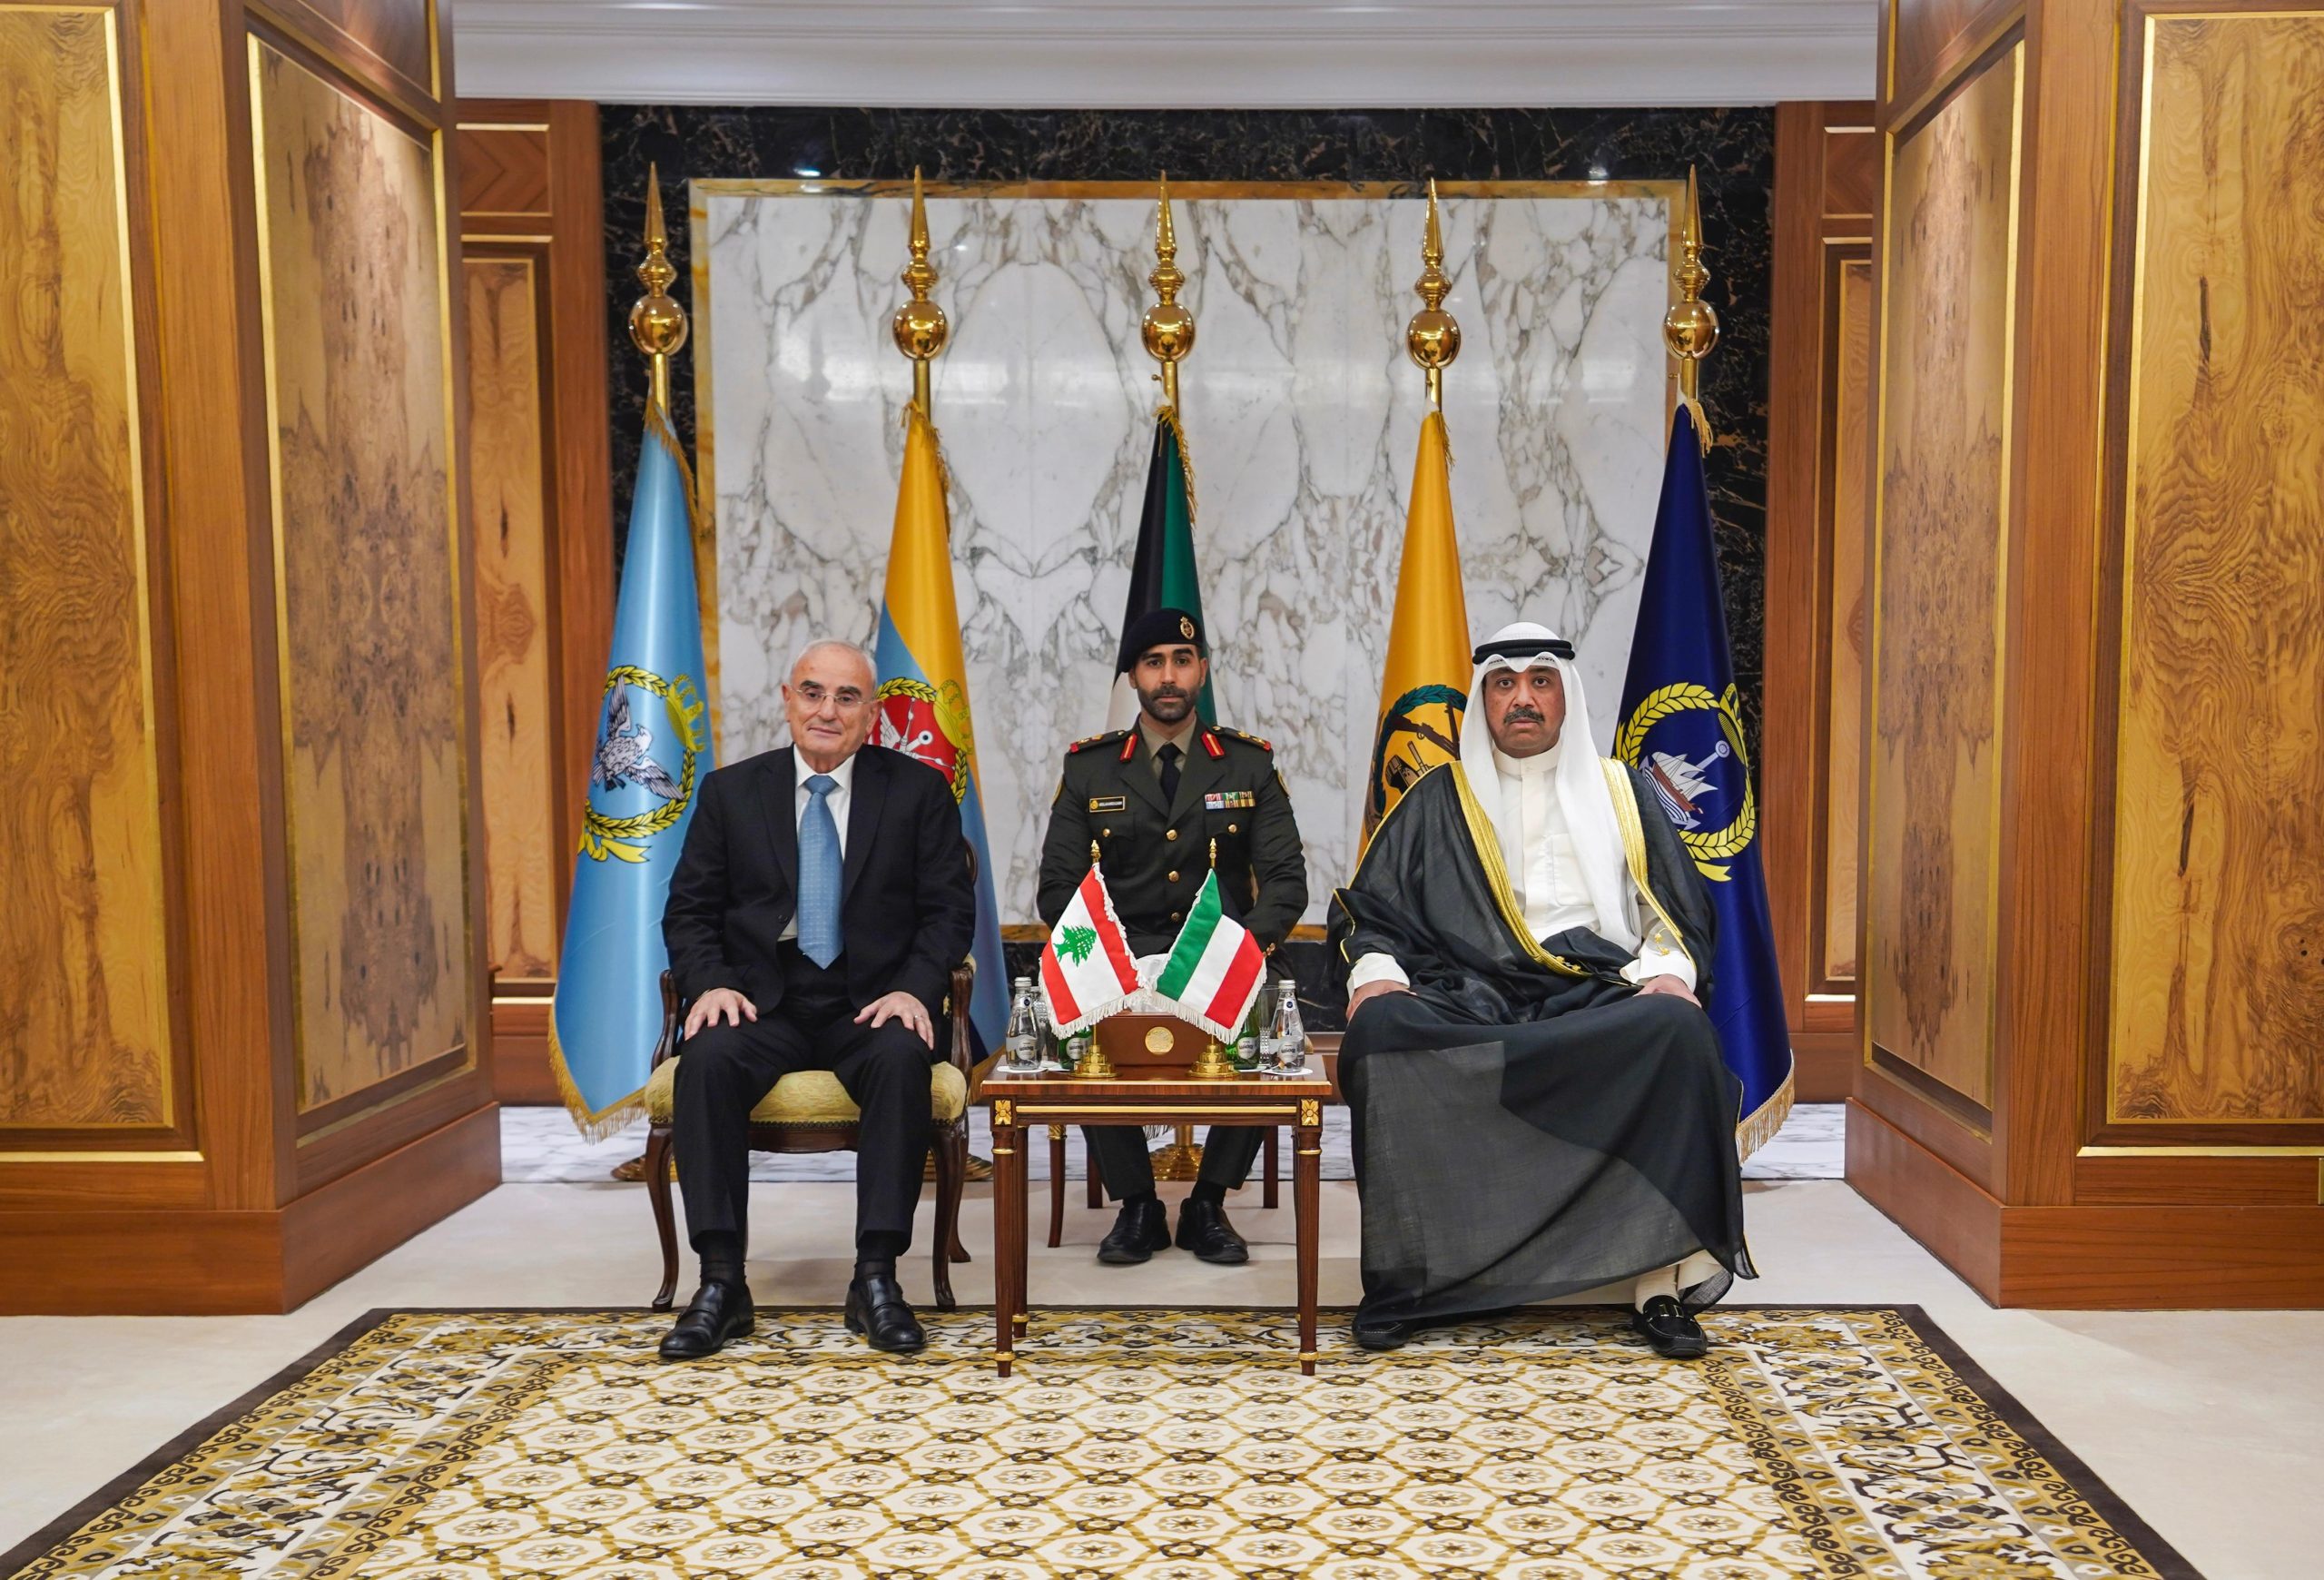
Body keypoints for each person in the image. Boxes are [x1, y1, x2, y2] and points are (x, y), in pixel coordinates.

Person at [1330, 621, 1753, 1358]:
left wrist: (1666, 971)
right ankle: (1409, 1281)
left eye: (1539, 682)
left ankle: (1658, 1285)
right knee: (1380, 1031)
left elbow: (1674, 913)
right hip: (1470, 993)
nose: (1522, 699)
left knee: (1679, 1030)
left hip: (1594, 992)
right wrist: (1380, 978)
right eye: (1504, 684)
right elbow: (1373, 914)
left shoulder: (1623, 791)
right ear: (1483, 699)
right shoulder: (1438, 797)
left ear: (1566, 696)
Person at [656, 639, 975, 1359]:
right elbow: (689, 911)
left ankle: (876, 1278)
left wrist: (914, 989)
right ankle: (721, 1283)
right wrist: (711, 984)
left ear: (871, 714)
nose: (827, 710)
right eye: (813, 692)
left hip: (871, 1001)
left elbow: (948, 914)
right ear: (787, 699)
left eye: (846, 697)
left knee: (901, 1059)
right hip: (760, 1001)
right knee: (706, 1061)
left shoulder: (918, 792)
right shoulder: (731, 793)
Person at [1036, 607, 1308, 1266]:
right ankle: (1138, 1204)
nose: (1168, 676)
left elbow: (1285, 882)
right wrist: (1108, 961)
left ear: (1202, 671)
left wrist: (1242, 951)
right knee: (1083, 1010)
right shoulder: (1090, 769)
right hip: (1122, 954)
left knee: (1264, 1007)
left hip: (1220, 952)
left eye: (1182, 661)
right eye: (1153, 662)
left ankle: (1208, 1202)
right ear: (1132, 676)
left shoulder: (1247, 765)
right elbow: (1057, 888)